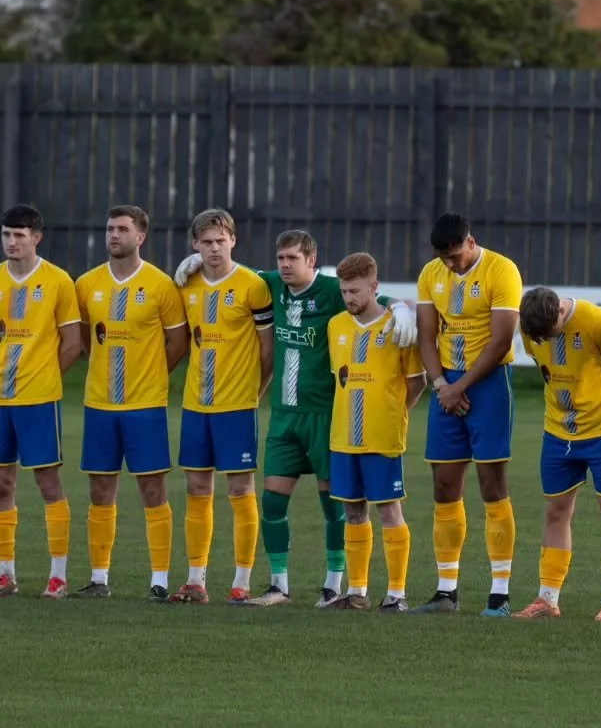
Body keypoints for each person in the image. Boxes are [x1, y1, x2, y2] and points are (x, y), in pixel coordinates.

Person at [171, 230, 418, 608]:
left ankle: (333, 585)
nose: (285, 266)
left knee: (336, 505)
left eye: (293, 259)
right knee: (272, 502)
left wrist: (397, 305)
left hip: (324, 416)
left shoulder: (333, 291)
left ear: (312, 260)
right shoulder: (270, 284)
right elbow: (239, 273)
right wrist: (203, 262)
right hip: (284, 417)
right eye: (281, 258)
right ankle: (279, 586)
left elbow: (367, 293)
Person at [74, 205, 189, 601]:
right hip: (100, 404)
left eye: (122, 229)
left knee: (152, 489)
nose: (114, 235)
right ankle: (98, 578)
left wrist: (153, 373)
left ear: (140, 236)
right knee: (100, 490)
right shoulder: (87, 284)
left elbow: (178, 342)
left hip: (145, 405)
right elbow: (86, 336)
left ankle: (159, 580)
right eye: (110, 228)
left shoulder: (160, 285)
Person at [412, 213, 522, 615]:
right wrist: (443, 385)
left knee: (492, 483)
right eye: (444, 258)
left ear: (471, 242)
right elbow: (426, 336)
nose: (451, 264)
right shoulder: (431, 273)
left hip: (489, 384)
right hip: (447, 386)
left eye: (455, 256)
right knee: (444, 485)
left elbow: (502, 340)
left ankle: (499, 593)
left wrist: (461, 387)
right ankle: (446, 592)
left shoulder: (502, 270)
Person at [0, 204, 84, 600]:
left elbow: (73, 344)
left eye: (19, 235)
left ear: (36, 237)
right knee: (1, 484)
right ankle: (6, 574)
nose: (12, 242)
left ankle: (58, 576)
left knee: (47, 482)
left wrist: (44, 376)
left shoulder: (57, 280)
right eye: (6, 234)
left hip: (39, 400)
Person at [170, 208, 275, 605]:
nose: (214, 248)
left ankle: (241, 581)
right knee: (197, 487)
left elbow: (268, 351)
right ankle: (195, 580)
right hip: (196, 404)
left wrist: (253, 393)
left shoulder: (253, 286)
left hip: (237, 406)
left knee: (240, 488)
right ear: (195, 245)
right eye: (206, 242)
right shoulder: (187, 284)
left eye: (220, 240)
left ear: (234, 240)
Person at [511, 287, 601, 621]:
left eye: (549, 333)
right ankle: (547, 599)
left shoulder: (598, 323)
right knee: (556, 511)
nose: (545, 340)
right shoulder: (531, 325)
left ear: (560, 313)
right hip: (557, 433)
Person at [323, 253, 426, 612]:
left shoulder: (398, 327)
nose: (349, 298)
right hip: (343, 438)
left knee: (388, 511)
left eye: (355, 291)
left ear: (374, 287)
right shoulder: (336, 325)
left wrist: (395, 414)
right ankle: (357, 592)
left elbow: (417, 383)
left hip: (382, 437)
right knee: (353, 512)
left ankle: (396, 594)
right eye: (344, 292)